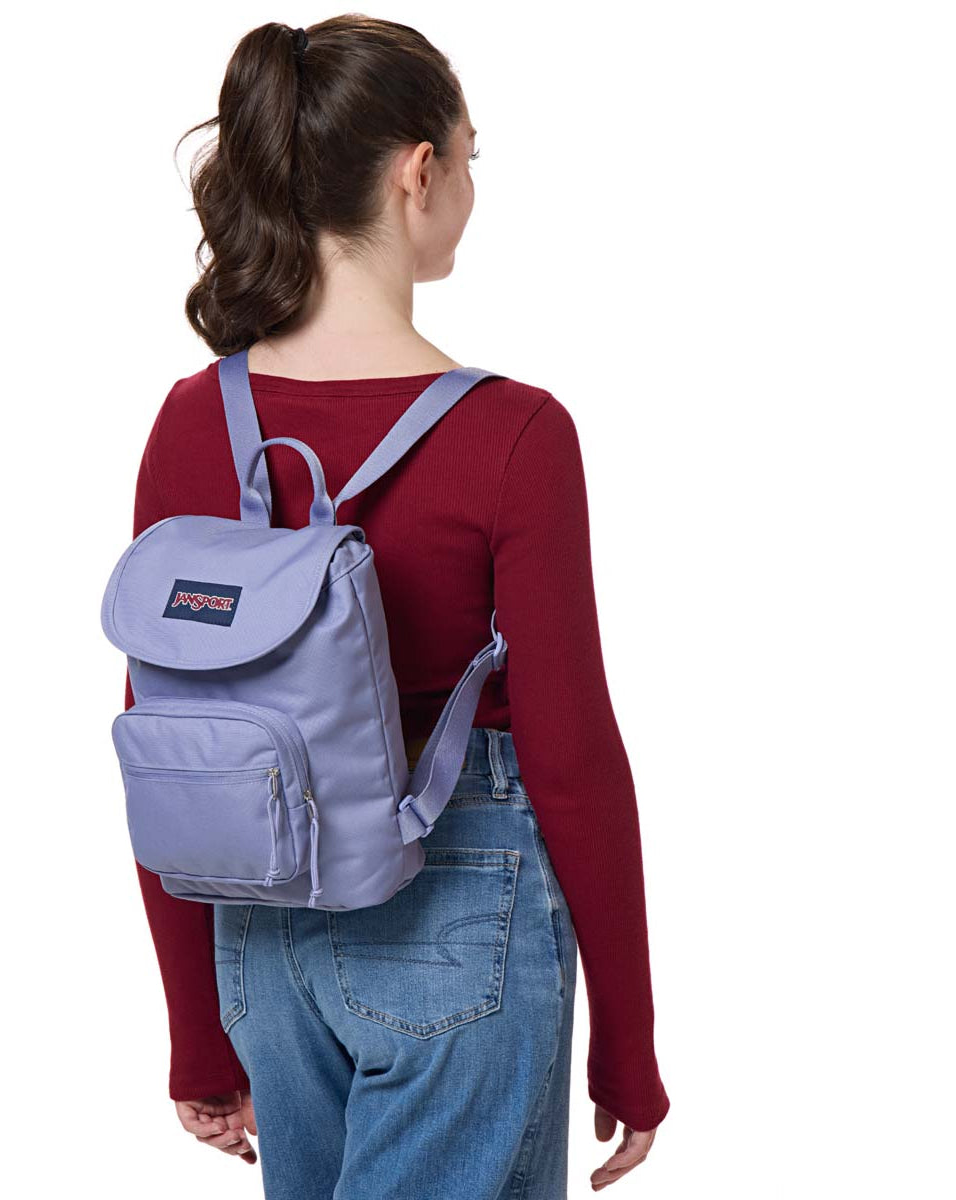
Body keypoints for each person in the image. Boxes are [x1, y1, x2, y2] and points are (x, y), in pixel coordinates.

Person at [121, 16, 670, 1198]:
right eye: (472, 156)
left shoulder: (191, 421)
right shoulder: (514, 434)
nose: (471, 185)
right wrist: (628, 1043)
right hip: (460, 918)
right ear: (420, 171)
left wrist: (198, 1033)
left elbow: (166, 743)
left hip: (260, 934)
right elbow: (572, 758)